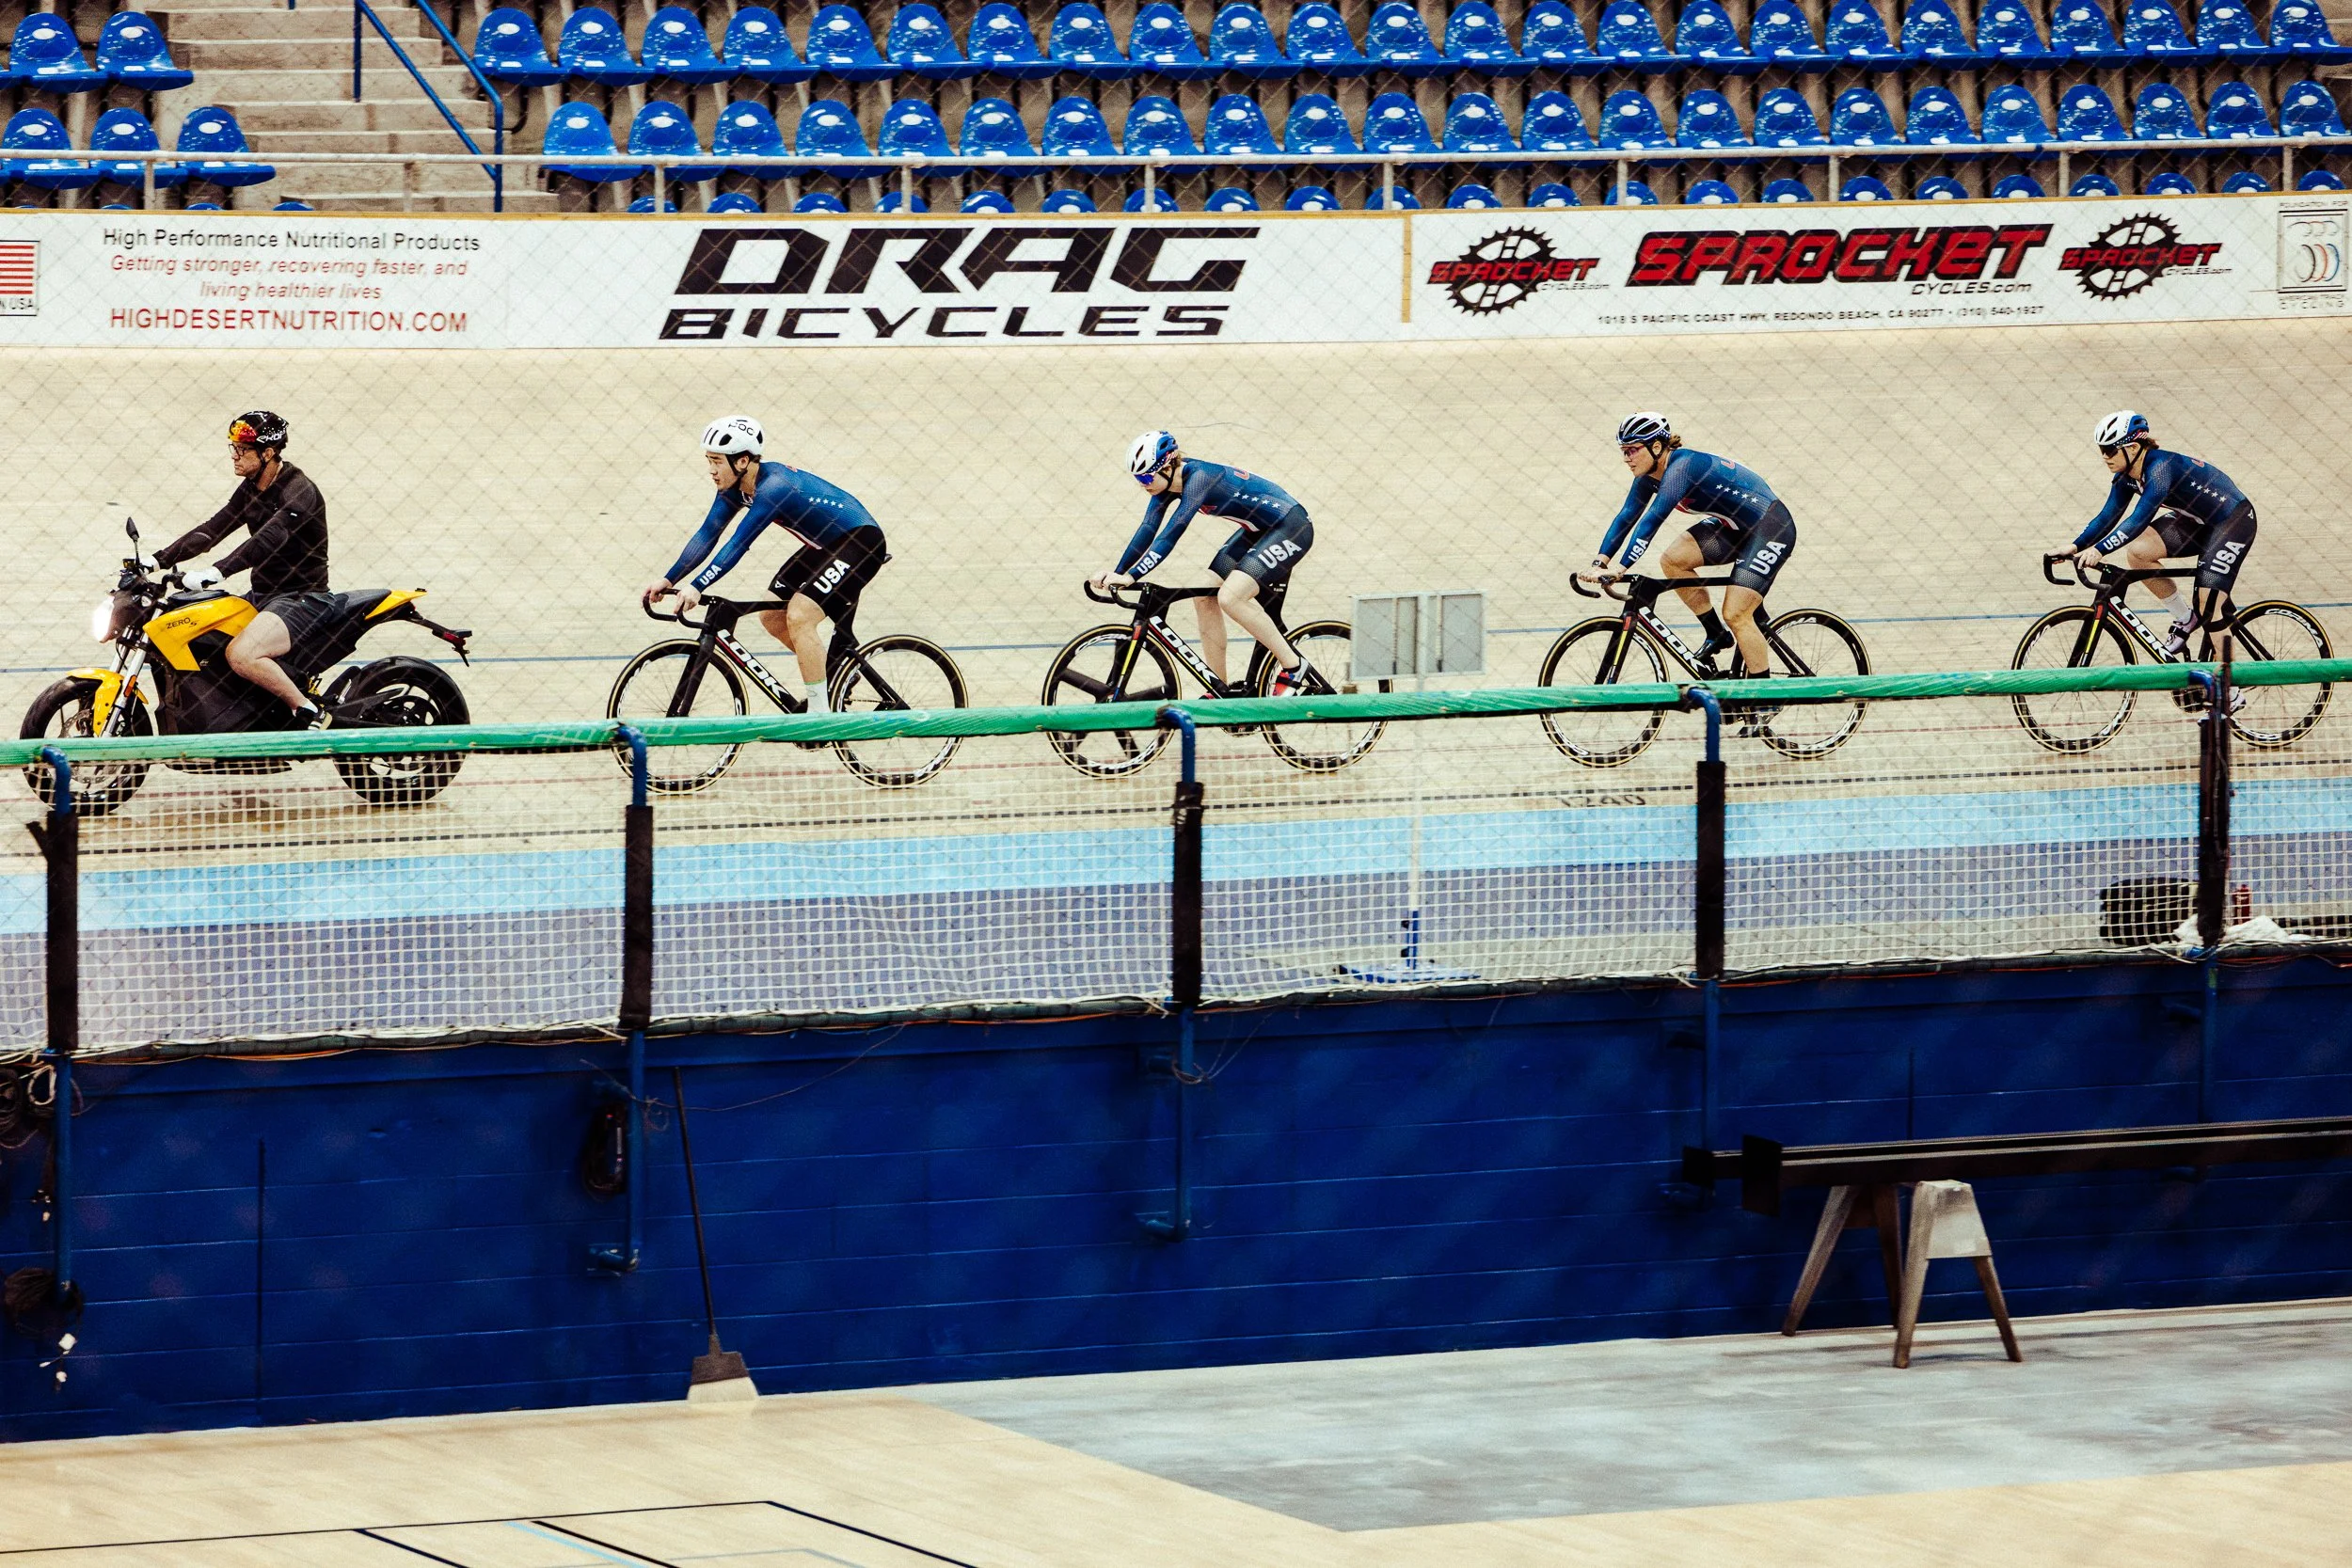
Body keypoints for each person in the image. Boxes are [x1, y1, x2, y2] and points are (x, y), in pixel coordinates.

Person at [641, 415, 886, 714]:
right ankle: (836, 675)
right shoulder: (734, 489)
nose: (711, 470)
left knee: (799, 616)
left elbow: (739, 543)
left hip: (861, 544)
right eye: (709, 460)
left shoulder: (775, 487)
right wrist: (668, 579)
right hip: (825, 547)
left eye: (717, 461)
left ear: (742, 461)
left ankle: (821, 716)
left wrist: (697, 586)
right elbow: (708, 534)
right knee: (771, 615)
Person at [1586, 412, 1797, 714]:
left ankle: (1765, 701)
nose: (1627, 458)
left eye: (1632, 449)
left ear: (1656, 447)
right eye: (1623, 451)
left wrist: (1621, 567)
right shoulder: (1648, 477)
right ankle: (1716, 634)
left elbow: (1652, 519)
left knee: (1737, 614)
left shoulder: (1682, 467)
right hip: (1733, 528)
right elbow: (1626, 517)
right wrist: (1599, 562)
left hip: (1770, 529)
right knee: (1673, 560)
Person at [1092, 431, 1317, 696]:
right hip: (1258, 530)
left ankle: (1293, 666)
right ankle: (1219, 688)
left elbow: (1173, 530)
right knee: (1203, 593)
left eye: (1146, 476)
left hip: (1291, 527)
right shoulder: (1166, 485)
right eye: (1138, 479)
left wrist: (1133, 576)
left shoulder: (1200, 478)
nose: (1143, 484)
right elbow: (1148, 528)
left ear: (1166, 466)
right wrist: (1118, 573)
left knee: (1231, 597)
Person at [156, 411, 335, 727]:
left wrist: (218, 571)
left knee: (242, 654)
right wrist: (158, 559)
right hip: (264, 594)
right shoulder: (252, 486)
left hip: (303, 598)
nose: (235, 456)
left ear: (268, 453)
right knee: (207, 637)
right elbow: (213, 529)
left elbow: (269, 539)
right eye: (233, 448)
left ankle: (308, 711)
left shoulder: (298, 490)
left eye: (242, 450)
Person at [2063, 410, 2255, 668]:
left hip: (2232, 521)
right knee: (2139, 553)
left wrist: (2100, 550)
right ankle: (2185, 619)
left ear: (2132, 448)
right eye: (2101, 450)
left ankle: (2229, 690)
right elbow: (2108, 516)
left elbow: (2139, 518)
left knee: (2209, 606)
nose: (2104, 457)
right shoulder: (2126, 477)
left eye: (2109, 450)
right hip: (2197, 522)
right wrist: (2075, 546)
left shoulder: (2161, 469)